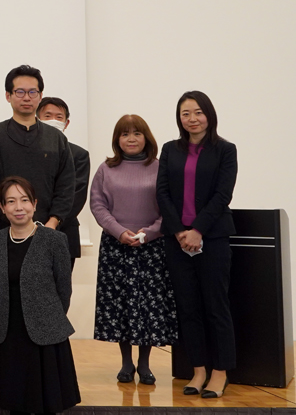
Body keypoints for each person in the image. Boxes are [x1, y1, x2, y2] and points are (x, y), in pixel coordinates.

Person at [0, 177, 79, 415]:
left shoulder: (55, 240)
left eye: (25, 200)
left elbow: (65, 290)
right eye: (11, 201)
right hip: (9, 335)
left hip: (46, 338)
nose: (19, 207)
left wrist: (47, 320)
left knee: (46, 411)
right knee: (17, 411)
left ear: (35, 204)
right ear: (2, 208)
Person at [157, 91, 237, 399]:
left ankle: (220, 372)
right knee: (187, 307)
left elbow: (222, 195)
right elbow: (162, 193)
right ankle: (198, 369)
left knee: (215, 306)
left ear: (209, 115)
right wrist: (179, 231)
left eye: (198, 112)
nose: (192, 118)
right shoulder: (170, 149)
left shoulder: (225, 150)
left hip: (212, 238)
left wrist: (198, 230)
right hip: (176, 241)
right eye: (185, 113)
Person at [89, 115, 177, 385]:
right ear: (117, 139)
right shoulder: (106, 168)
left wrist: (148, 233)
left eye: (136, 133)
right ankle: (126, 364)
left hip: (151, 247)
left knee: (147, 307)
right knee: (122, 306)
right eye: (124, 134)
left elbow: (169, 208)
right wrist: (119, 232)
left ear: (146, 137)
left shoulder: (160, 168)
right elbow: (97, 205)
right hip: (117, 247)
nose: (131, 138)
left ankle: (145, 364)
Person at [0, 65, 75, 234]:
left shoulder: (56, 138)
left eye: (32, 92)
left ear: (40, 96)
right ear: (8, 96)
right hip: (6, 229)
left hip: (48, 230)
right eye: (20, 92)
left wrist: (53, 222)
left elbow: (66, 185)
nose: (27, 98)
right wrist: (16, 219)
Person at [37, 97, 90, 267]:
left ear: (66, 123)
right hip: (27, 229)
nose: (53, 120)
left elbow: (77, 195)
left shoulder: (79, 155)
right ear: (37, 118)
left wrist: (53, 222)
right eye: (47, 116)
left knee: (61, 292)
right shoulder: (24, 151)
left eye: (59, 117)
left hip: (65, 231)